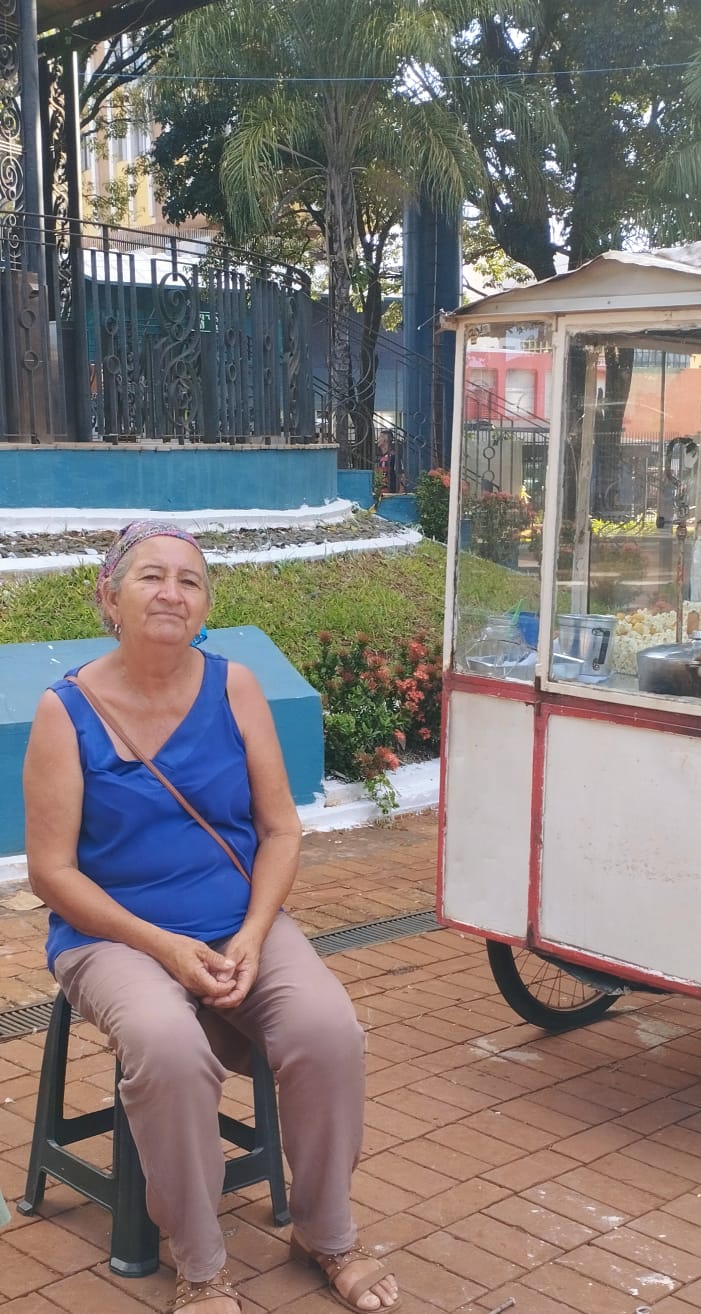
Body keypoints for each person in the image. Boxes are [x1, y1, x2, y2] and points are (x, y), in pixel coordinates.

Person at [22, 522, 399, 1314]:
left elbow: (280, 830)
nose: (171, 593)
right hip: (113, 937)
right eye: (150, 577)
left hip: (236, 922)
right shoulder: (66, 710)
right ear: (109, 597)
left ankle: (326, 1232)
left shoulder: (235, 688)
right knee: (167, 1047)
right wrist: (164, 947)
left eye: (189, 580)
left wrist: (254, 936)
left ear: (205, 604)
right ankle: (200, 1266)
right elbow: (52, 874)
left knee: (327, 1031)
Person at [374, 429, 400, 495]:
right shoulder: (380, 457)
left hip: (390, 491)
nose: (377, 440)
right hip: (381, 491)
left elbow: (401, 473)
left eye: (379, 438)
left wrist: (400, 491)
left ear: (385, 440)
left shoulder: (393, 456)